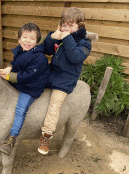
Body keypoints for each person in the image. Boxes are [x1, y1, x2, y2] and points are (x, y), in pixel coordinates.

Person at [38, 7, 93, 155]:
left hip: (66, 79)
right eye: (64, 25)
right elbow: (48, 50)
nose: (66, 28)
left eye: (71, 25)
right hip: (52, 72)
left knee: (54, 105)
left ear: (79, 26)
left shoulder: (85, 43)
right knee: (31, 81)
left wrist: (66, 37)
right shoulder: (60, 36)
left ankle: (46, 136)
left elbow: (76, 57)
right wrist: (51, 37)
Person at [0, 23, 49, 156]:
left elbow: (28, 75)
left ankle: (11, 138)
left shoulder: (39, 57)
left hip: (30, 87)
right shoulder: (22, 50)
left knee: (20, 109)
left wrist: (9, 76)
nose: (27, 41)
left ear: (37, 42)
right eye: (25, 37)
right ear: (19, 39)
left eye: (32, 38)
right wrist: (9, 68)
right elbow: (15, 62)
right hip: (20, 82)